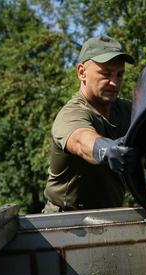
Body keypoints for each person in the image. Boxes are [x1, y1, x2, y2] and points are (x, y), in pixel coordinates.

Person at [43, 35, 136, 213]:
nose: (114, 82)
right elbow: (81, 140)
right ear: (81, 73)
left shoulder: (125, 111)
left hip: (111, 215)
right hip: (64, 221)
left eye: (119, 75)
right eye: (106, 74)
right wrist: (106, 150)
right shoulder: (72, 113)